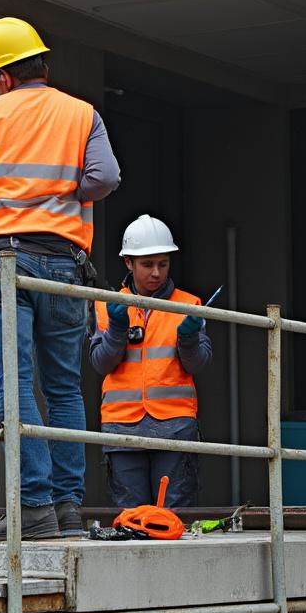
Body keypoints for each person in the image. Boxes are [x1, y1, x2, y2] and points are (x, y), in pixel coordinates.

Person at [0, 17, 121, 540]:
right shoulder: (82, 113)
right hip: (65, 264)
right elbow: (105, 178)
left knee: (15, 384)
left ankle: (34, 507)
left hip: (7, 264)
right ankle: (67, 508)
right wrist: (65, 192)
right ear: (42, 64)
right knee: (64, 386)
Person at [90, 215, 212, 508]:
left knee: (172, 519)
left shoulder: (188, 305)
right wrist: (117, 332)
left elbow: (199, 365)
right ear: (128, 263)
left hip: (175, 427)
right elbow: (100, 364)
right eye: (147, 264)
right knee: (132, 521)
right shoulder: (107, 303)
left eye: (163, 263)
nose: (156, 273)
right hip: (122, 428)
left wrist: (189, 340)